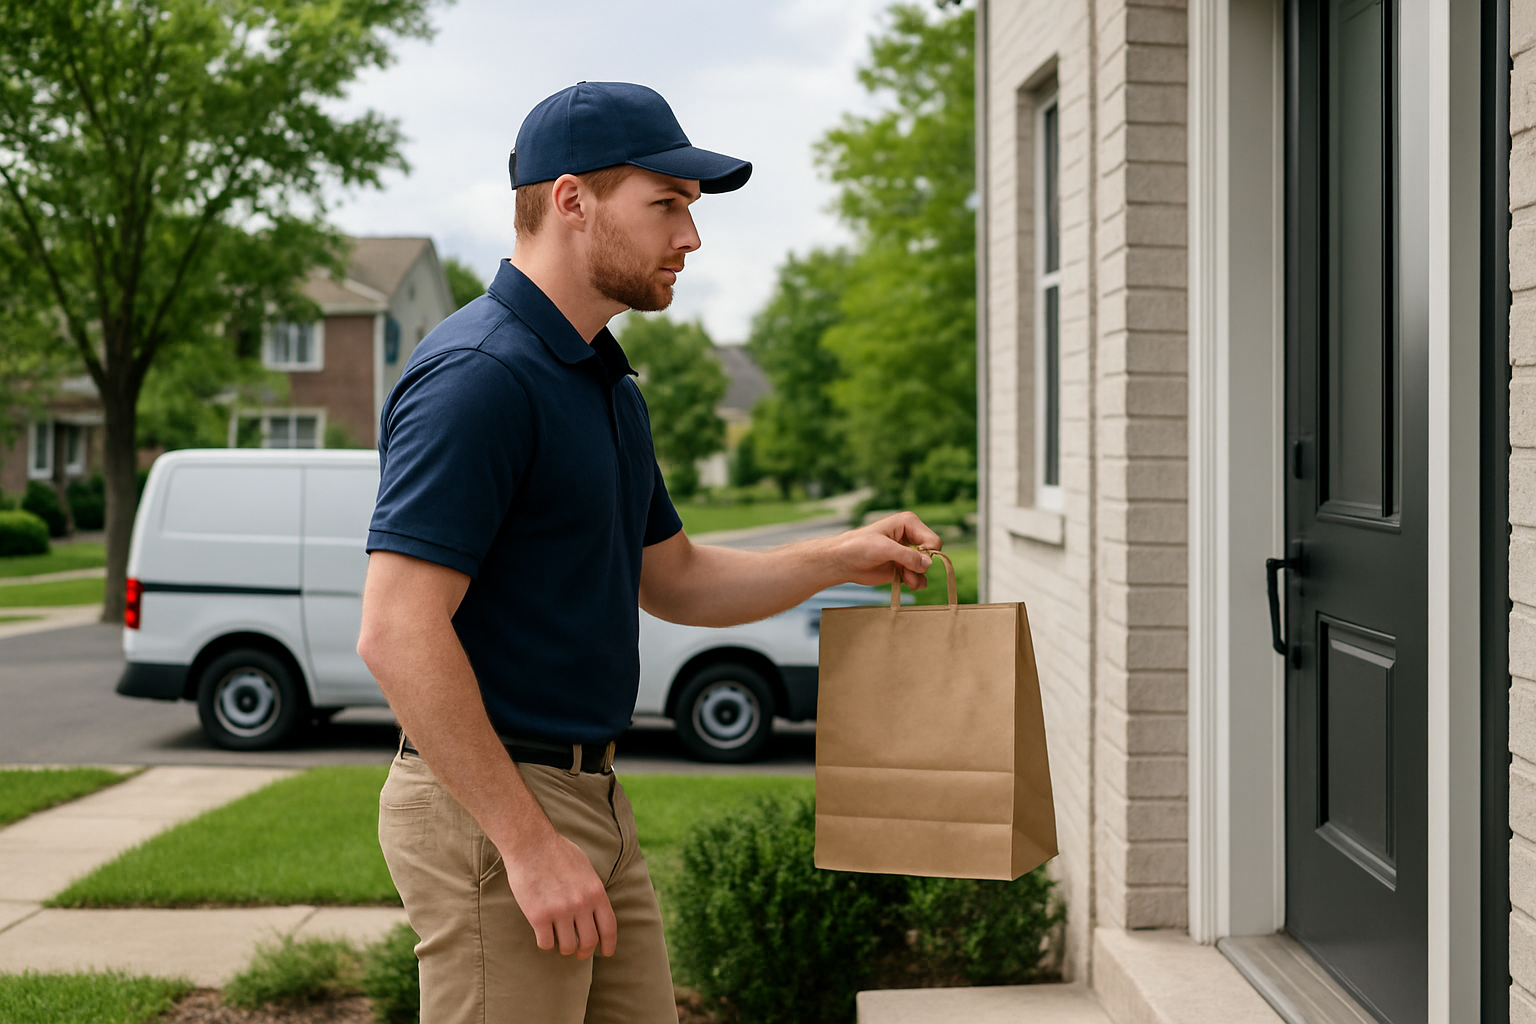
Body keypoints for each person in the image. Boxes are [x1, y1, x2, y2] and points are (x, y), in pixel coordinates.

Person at [356, 81, 942, 1024]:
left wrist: (842, 554)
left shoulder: (603, 383)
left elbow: (673, 577)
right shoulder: (478, 377)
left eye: (690, 210)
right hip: (496, 809)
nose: (691, 238)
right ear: (572, 200)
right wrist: (530, 844)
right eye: (666, 205)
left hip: (593, 798)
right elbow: (396, 631)